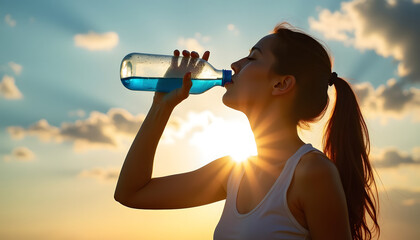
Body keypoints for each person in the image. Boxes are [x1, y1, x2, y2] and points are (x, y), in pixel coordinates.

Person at [114, 23, 380, 240]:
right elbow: (131, 193)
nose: (234, 64)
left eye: (252, 57)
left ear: (281, 84)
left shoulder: (312, 173)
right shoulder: (233, 172)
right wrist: (161, 107)